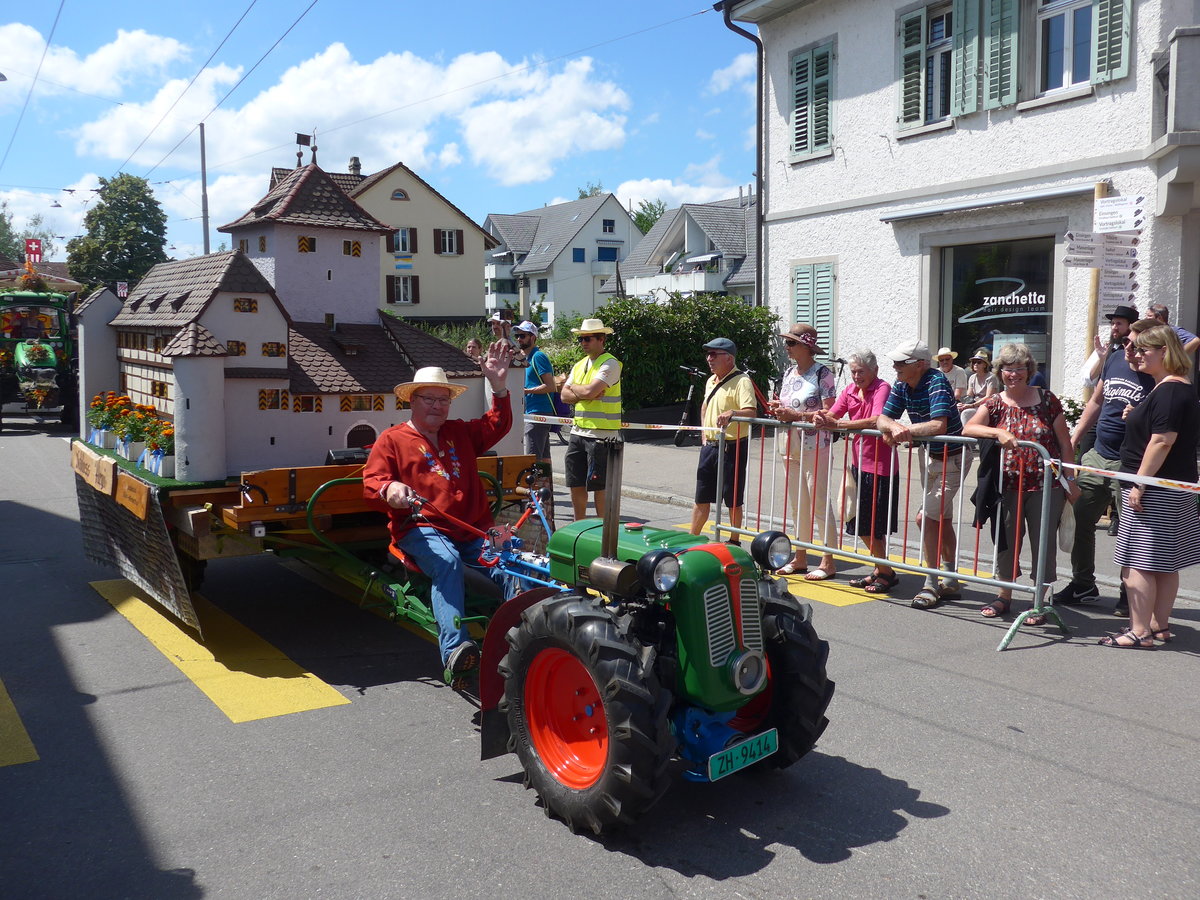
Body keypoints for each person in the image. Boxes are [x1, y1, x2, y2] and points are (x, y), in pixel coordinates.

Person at [363, 346, 513, 678]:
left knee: (513, 564)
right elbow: (372, 481)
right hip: (421, 529)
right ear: (412, 401)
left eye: (443, 399)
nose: (437, 406)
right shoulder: (391, 439)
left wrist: (499, 386)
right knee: (447, 562)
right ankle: (455, 650)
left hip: (473, 528)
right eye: (429, 399)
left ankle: (524, 638)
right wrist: (391, 489)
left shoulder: (459, 431)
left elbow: (497, 424)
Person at [963, 344, 1079, 623]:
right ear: (999, 372)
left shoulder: (1047, 400)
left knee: (1044, 545)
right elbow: (969, 428)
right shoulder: (994, 403)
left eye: (1019, 368)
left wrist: (1071, 480)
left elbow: (1064, 442)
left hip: (1046, 486)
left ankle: (1040, 601)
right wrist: (996, 431)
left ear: (1029, 370)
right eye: (1007, 368)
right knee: (1006, 543)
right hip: (1008, 486)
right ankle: (1005, 596)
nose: (1013, 374)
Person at [1101, 325, 1200, 647]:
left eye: (1145, 349)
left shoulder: (1171, 390)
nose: (1138, 354)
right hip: (1171, 486)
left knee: (1136, 563)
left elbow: (1161, 441)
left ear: (1165, 352)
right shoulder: (1177, 388)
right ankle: (1158, 626)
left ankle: (1140, 630)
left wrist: (1140, 485)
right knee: (1164, 563)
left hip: (1156, 489)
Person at [1054, 305, 1154, 614]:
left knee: (1131, 531)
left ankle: (1130, 593)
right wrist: (1073, 437)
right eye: (1126, 344)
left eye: (1135, 346)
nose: (1129, 350)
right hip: (1098, 454)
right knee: (1080, 519)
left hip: (1132, 462)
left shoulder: (1157, 377)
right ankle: (1083, 584)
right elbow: (1096, 401)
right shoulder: (1113, 360)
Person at [877, 338, 973, 609]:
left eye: (900, 362)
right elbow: (882, 418)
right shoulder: (902, 383)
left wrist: (903, 431)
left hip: (953, 457)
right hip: (929, 456)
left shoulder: (936, 381)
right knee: (941, 517)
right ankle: (951, 578)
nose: (895, 366)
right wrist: (893, 427)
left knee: (926, 518)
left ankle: (932, 584)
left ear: (919, 364)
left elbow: (939, 424)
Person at [813, 349, 898, 593]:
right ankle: (881, 569)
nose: (856, 376)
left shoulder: (882, 387)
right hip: (857, 464)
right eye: (853, 371)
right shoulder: (849, 390)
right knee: (859, 522)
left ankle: (885, 572)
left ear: (875, 371)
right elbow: (833, 413)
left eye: (861, 371)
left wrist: (838, 424)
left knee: (872, 525)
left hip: (880, 465)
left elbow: (876, 419)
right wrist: (821, 417)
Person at [768, 324, 838, 580]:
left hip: (816, 444)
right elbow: (788, 404)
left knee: (819, 501)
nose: (786, 347)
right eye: (786, 343)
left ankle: (827, 560)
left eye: (791, 343)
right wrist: (779, 407)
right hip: (790, 443)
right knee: (798, 504)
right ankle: (800, 557)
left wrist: (796, 415)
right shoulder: (788, 373)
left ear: (806, 347)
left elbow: (830, 411)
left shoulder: (823, 373)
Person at [689, 337, 757, 542]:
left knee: (733, 498)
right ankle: (692, 538)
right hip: (710, 446)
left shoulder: (742, 381)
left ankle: (734, 540)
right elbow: (704, 406)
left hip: (732, 446)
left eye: (713, 354)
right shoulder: (711, 380)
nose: (709, 359)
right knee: (701, 495)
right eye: (707, 354)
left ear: (729, 358)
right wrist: (704, 433)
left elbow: (752, 411)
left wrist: (732, 412)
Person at [558, 318, 622, 521]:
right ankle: (580, 527)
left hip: (602, 435)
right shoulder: (580, 365)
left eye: (587, 338)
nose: (583, 343)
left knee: (600, 487)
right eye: (581, 339)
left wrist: (577, 389)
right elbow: (563, 396)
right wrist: (584, 392)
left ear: (601, 339)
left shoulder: (611, 363)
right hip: (578, 432)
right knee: (576, 483)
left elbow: (586, 390)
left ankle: (604, 534)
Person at [512, 321, 556, 468]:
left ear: (533, 337)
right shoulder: (524, 357)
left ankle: (535, 488)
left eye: (523, 335)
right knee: (543, 456)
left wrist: (525, 391)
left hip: (538, 412)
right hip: (531, 412)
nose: (519, 339)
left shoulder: (538, 357)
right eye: (517, 335)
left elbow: (551, 386)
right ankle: (546, 488)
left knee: (532, 457)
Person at [959, 348, 1000, 427]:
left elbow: (989, 397)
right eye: (974, 362)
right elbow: (969, 396)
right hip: (975, 405)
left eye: (979, 362)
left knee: (966, 413)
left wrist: (972, 405)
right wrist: (963, 404)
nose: (975, 364)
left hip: (987, 406)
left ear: (985, 365)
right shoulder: (972, 377)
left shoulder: (991, 377)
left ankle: (968, 434)